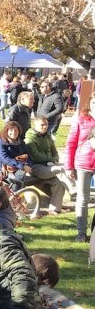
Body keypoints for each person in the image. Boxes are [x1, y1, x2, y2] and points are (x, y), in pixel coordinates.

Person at [65, 95, 95, 241]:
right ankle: (81, 232)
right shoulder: (81, 118)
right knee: (83, 198)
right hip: (83, 162)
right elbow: (71, 142)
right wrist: (68, 166)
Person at [26, 116, 76, 201]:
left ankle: (55, 209)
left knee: (69, 168)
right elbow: (36, 156)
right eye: (42, 125)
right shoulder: (29, 138)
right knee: (60, 169)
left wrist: (55, 159)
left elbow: (54, 151)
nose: (45, 127)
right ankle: (74, 192)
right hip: (36, 167)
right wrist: (51, 160)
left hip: (49, 164)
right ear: (35, 125)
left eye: (46, 124)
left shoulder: (48, 136)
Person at [0, 121, 32, 192]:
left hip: (16, 167)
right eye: (11, 130)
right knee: (17, 179)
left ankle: (17, 196)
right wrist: (22, 166)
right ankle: (14, 197)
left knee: (21, 175)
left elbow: (28, 155)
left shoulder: (20, 142)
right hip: (1, 168)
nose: (13, 132)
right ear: (6, 131)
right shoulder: (1, 142)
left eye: (16, 130)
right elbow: (4, 158)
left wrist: (27, 165)